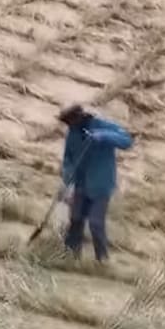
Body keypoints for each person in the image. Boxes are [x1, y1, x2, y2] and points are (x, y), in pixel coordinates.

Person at [58, 104, 133, 262]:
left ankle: (102, 261)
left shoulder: (102, 125)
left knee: (95, 223)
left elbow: (126, 141)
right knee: (75, 220)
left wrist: (104, 136)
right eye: (67, 123)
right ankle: (70, 258)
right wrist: (67, 182)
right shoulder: (73, 133)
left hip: (101, 184)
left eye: (70, 122)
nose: (68, 125)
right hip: (80, 184)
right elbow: (68, 159)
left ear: (79, 117)